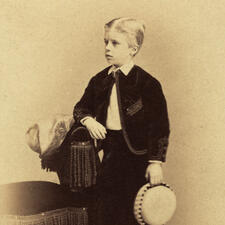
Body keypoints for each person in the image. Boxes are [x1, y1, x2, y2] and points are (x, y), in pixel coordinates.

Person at [73, 17, 170, 225]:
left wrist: (155, 162)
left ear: (132, 49)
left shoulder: (147, 84)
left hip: (137, 157)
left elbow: (159, 126)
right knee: (104, 207)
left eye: (115, 43)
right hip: (110, 152)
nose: (108, 48)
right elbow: (81, 107)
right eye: (106, 42)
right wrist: (88, 120)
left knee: (133, 210)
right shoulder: (99, 80)